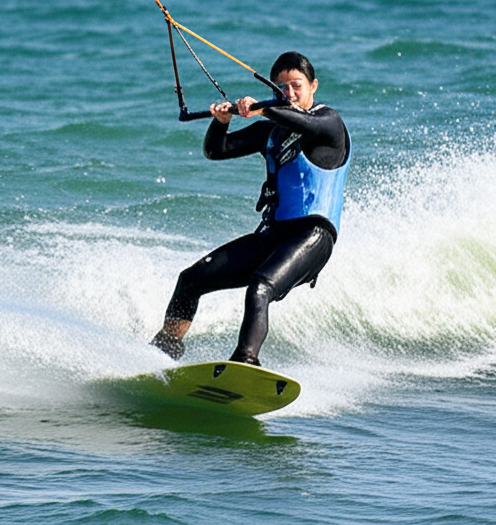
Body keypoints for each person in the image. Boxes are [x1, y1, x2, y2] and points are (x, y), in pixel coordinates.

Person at [149, 52, 351, 366]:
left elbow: (302, 122)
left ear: (313, 86)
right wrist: (222, 122)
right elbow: (216, 150)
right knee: (191, 279)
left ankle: (245, 362)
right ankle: (163, 350)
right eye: (281, 89)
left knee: (260, 287)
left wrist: (260, 109)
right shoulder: (270, 131)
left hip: (313, 236)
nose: (289, 94)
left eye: (296, 86)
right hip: (272, 237)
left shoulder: (329, 123)